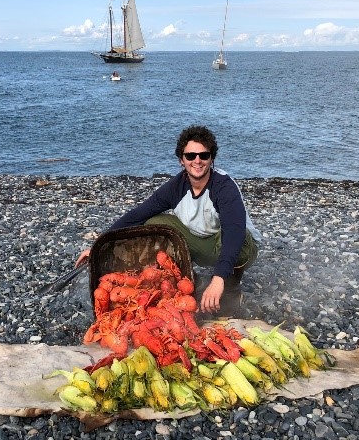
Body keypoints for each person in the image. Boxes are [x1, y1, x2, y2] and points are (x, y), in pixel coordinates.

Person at [75, 125, 261, 316]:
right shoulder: (175, 187)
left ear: (211, 158)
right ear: (182, 160)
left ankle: (231, 288)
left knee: (237, 238)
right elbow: (138, 214)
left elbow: (234, 232)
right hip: (202, 242)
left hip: (239, 245)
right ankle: (193, 283)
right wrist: (99, 245)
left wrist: (219, 278)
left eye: (203, 155)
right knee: (153, 223)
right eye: (190, 156)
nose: (197, 161)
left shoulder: (223, 187)